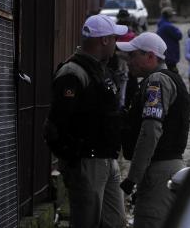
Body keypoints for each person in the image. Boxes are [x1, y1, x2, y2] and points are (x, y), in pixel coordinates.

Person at [43, 14, 128, 228]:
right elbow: (56, 124)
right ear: (104, 40)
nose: (116, 44)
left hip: (107, 159)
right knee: (86, 222)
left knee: (115, 222)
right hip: (87, 163)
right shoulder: (73, 73)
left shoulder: (99, 70)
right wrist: (73, 158)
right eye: (114, 38)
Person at [117, 32, 190, 228]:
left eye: (133, 55)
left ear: (150, 56)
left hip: (159, 171)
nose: (128, 61)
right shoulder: (167, 78)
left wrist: (133, 177)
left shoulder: (157, 81)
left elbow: (150, 131)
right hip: (166, 168)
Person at [157, 7, 183, 73]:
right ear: (169, 16)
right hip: (170, 55)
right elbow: (179, 35)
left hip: (165, 54)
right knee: (174, 76)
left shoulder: (161, 24)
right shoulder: (169, 26)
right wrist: (177, 29)